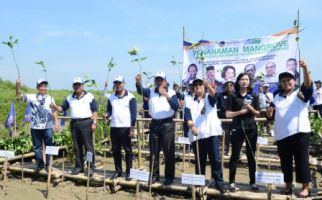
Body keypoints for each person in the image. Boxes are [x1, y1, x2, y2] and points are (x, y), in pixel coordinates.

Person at [267, 60, 312, 198]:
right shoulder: (276, 97)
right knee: (285, 161)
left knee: (301, 160)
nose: (286, 82)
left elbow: (308, 84)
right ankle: (288, 186)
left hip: (300, 132)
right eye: (283, 81)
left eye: (289, 80)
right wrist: (269, 114)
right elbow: (271, 114)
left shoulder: (300, 92)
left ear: (294, 81)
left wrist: (305, 67)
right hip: (282, 134)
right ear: (280, 84)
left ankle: (305, 188)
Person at [135, 71, 179, 185]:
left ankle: (169, 177)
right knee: (153, 151)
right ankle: (154, 175)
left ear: (165, 81)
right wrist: (138, 82)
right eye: (157, 80)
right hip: (154, 124)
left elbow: (176, 106)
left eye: (161, 80)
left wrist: (166, 95)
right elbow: (140, 91)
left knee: (168, 152)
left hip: (167, 125)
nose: (158, 82)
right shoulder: (150, 91)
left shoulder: (172, 92)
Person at [184, 78, 226, 193]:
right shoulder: (189, 101)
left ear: (204, 87)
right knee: (199, 160)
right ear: (193, 88)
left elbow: (215, 96)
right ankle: (199, 182)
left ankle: (219, 182)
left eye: (200, 85)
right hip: (197, 135)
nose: (198, 86)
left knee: (215, 160)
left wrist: (209, 86)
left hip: (211, 133)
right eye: (196, 85)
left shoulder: (208, 97)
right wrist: (192, 127)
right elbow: (187, 116)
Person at [51, 77, 98, 177]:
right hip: (74, 124)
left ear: (82, 85)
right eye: (75, 85)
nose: (77, 87)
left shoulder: (89, 96)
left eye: (79, 85)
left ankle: (90, 167)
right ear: (73, 86)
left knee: (88, 147)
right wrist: (55, 107)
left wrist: (94, 123)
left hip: (86, 123)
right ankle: (79, 166)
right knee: (77, 147)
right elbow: (62, 108)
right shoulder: (69, 97)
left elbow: (94, 111)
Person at [225, 73, 260, 192]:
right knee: (235, 155)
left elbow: (258, 113)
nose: (244, 81)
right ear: (238, 81)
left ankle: (253, 182)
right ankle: (231, 182)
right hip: (237, 128)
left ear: (249, 82)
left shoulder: (254, 96)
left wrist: (250, 109)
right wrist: (240, 112)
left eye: (247, 79)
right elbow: (227, 114)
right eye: (242, 79)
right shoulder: (233, 96)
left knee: (251, 155)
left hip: (251, 128)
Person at [16, 79, 59, 172]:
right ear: (37, 88)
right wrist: (18, 85)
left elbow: (54, 112)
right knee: (37, 147)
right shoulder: (32, 97)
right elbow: (19, 96)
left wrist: (56, 123)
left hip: (48, 127)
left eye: (44, 86)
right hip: (35, 127)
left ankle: (48, 165)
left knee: (49, 146)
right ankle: (40, 164)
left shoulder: (50, 98)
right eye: (41, 86)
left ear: (46, 88)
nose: (43, 87)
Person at [106, 76, 137, 181]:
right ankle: (118, 171)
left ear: (124, 83)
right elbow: (109, 110)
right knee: (115, 150)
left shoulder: (131, 97)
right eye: (116, 83)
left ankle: (129, 172)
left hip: (126, 127)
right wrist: (107, 114)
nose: (117, 85)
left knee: (128, 150)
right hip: (114, 127)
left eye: (119, 83)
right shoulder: (111, 97)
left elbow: (133, 114)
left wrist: (132, 128)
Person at [217, 81, 234, 155]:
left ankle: (236, 151)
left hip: (234, 118)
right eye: (227, 85)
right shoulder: (221, 95)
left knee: (234, 135)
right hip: (224, 118)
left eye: (231, 85)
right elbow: (221, 106)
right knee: (226, 134)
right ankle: (227, 150)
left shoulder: (236, 95)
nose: (229, 86)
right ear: (224, 87)